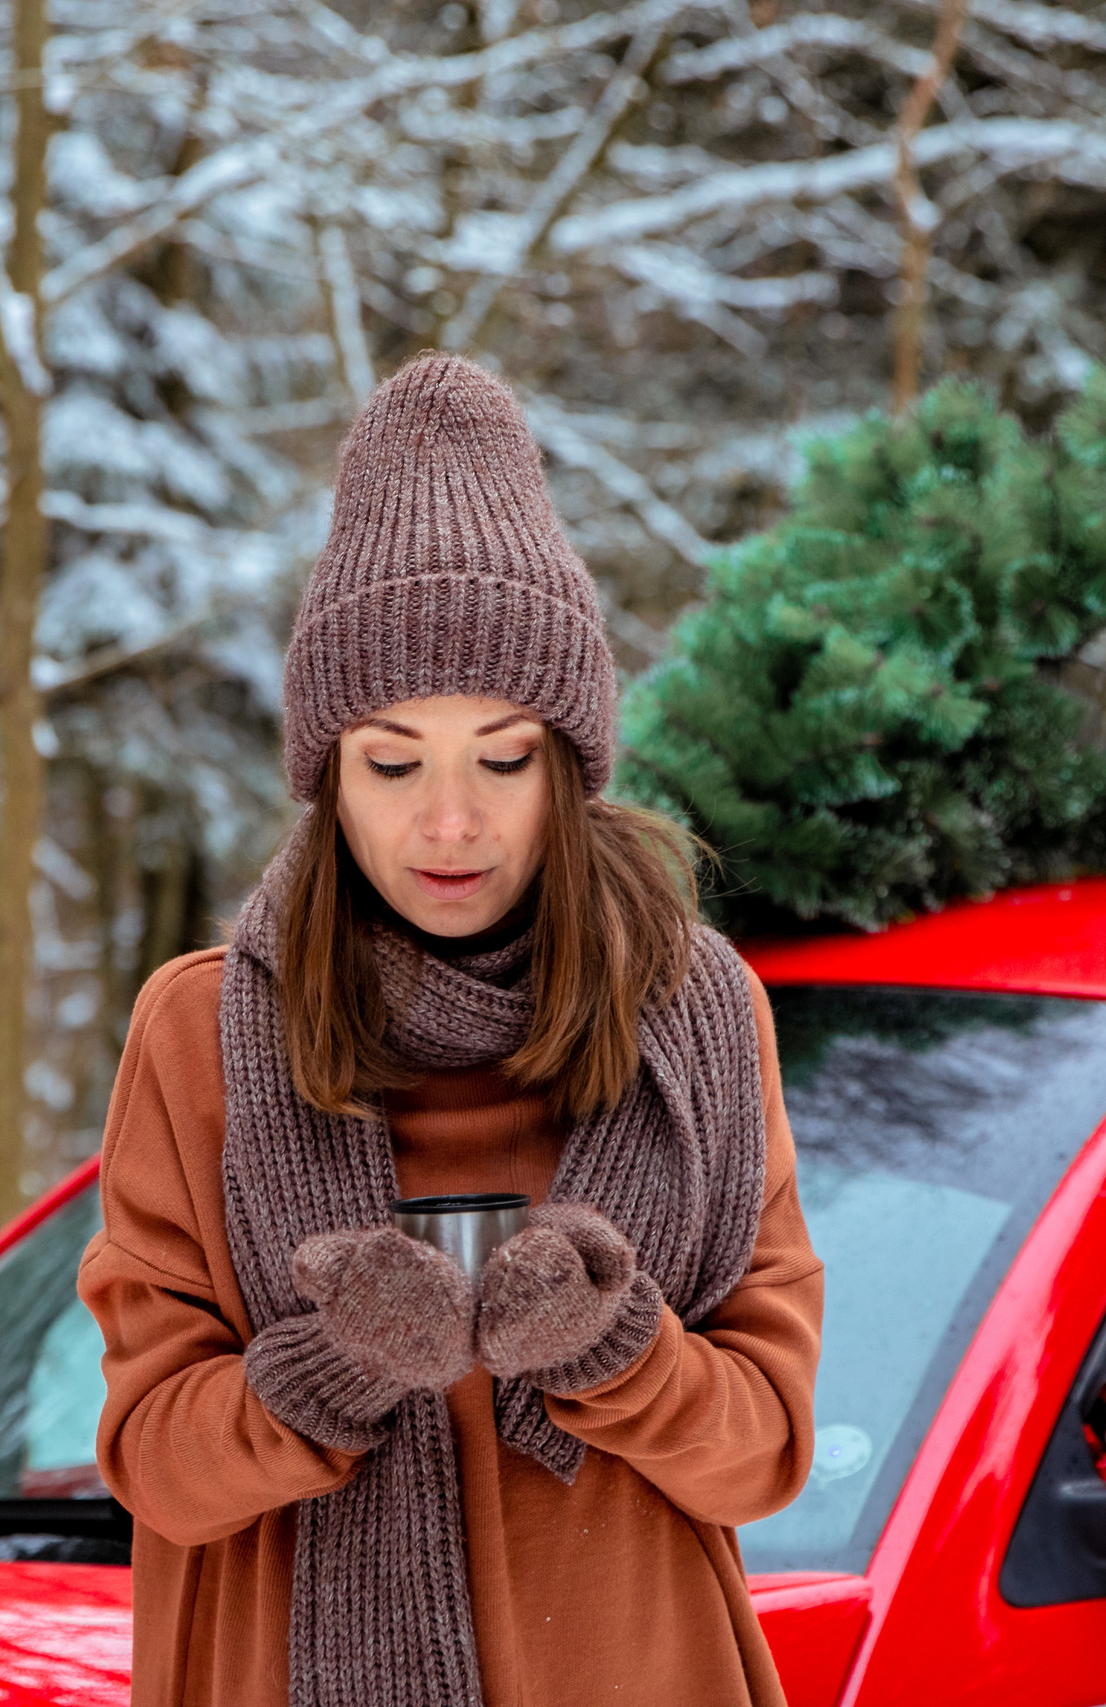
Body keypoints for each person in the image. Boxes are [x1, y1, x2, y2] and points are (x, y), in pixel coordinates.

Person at [80, 351, 825, 1707]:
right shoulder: (201, 1033)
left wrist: (623, 1351)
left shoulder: (699, 1016)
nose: (449, 821)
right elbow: (155, 1462)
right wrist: (332, 1368)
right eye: (391, 761)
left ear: (568, 764)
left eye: (502, 757)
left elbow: (765, 1450)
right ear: (326, 772)